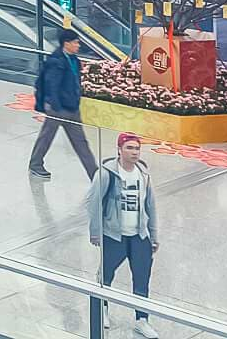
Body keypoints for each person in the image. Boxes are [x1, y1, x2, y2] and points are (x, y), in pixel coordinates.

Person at [87, 133, 160, 338]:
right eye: (129, 148)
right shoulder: (106, 173)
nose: (134, 152)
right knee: (106, 275)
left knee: (142, 278)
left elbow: (150, 206)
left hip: (139, 235)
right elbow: (93, 203)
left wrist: (153, 235)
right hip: (114, 234)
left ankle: (141, 319)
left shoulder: (143, 175)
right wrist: (95, 232)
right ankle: (103, 309)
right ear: (119, 149)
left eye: (137, 148)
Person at [28, 29, 98, 180]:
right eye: (76, 42)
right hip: (57, 109)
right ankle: (35, 164)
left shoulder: (74, 60)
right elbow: (51, 85)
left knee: (81, 142)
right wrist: (56, 107)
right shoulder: (56, 61)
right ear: (66, 43)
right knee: (46, 137)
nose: (78, 45)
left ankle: (95, 175)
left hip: (71, 108)